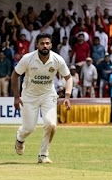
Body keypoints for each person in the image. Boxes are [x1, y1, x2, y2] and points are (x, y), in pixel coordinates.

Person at [11, 34, 72, 164]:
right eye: (42, 43)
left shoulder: (57, 59)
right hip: (29, 96)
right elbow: (15, 75)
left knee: (51, 124)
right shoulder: (28, 58)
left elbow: (68, 77)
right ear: (37, 45)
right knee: (29, 128)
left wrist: (67, 96)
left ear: (51, 45)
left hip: (48, 95)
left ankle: (43, 155)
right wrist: (16, 97)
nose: (45, 46)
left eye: (47, 43)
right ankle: (20, 138)